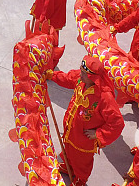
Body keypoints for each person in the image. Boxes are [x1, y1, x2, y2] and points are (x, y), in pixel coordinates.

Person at [47, 56, 124, 186]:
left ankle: (80, 180)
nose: (80, 74)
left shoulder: (104, 97)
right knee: (69, 150)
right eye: (81, 70)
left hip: (84, 140)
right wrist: (52, 75)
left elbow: (117, 123)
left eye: (84, 73)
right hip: (71, 129)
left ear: (93, 77)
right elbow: (68, 78)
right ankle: (68, 166)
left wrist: (98, 134)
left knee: (82, 163)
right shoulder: (81, 80)